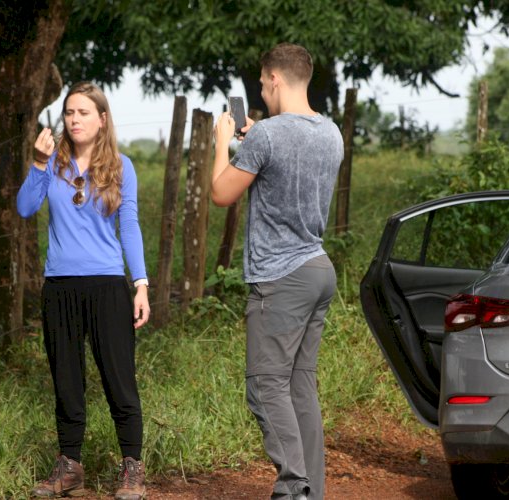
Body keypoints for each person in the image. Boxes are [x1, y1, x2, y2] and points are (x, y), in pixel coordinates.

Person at [211, 43, 343, 500]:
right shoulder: (331, 133)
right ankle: (313, 491)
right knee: (299, 385)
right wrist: (255, 139)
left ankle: (294, 487)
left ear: (274, 79)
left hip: (280, 277)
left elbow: (221, 193)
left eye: (264, 82)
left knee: (266, 387)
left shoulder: (267, 135)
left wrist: (220, 144)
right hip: (318, 269)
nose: (263, 90)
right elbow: (288, 163)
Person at [17, 81, 150, 500]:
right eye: (69, 113)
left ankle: (132, 467)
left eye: (83, 113)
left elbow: (128, 226)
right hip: (59, 286)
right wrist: (38, 163)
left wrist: (141, 283)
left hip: (108, 286)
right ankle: (70, 466)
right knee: (67, 380)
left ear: (102, 119)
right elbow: (24, 208)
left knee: (119, 379)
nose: (74, 120)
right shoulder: (52, 164)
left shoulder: (121, 167)